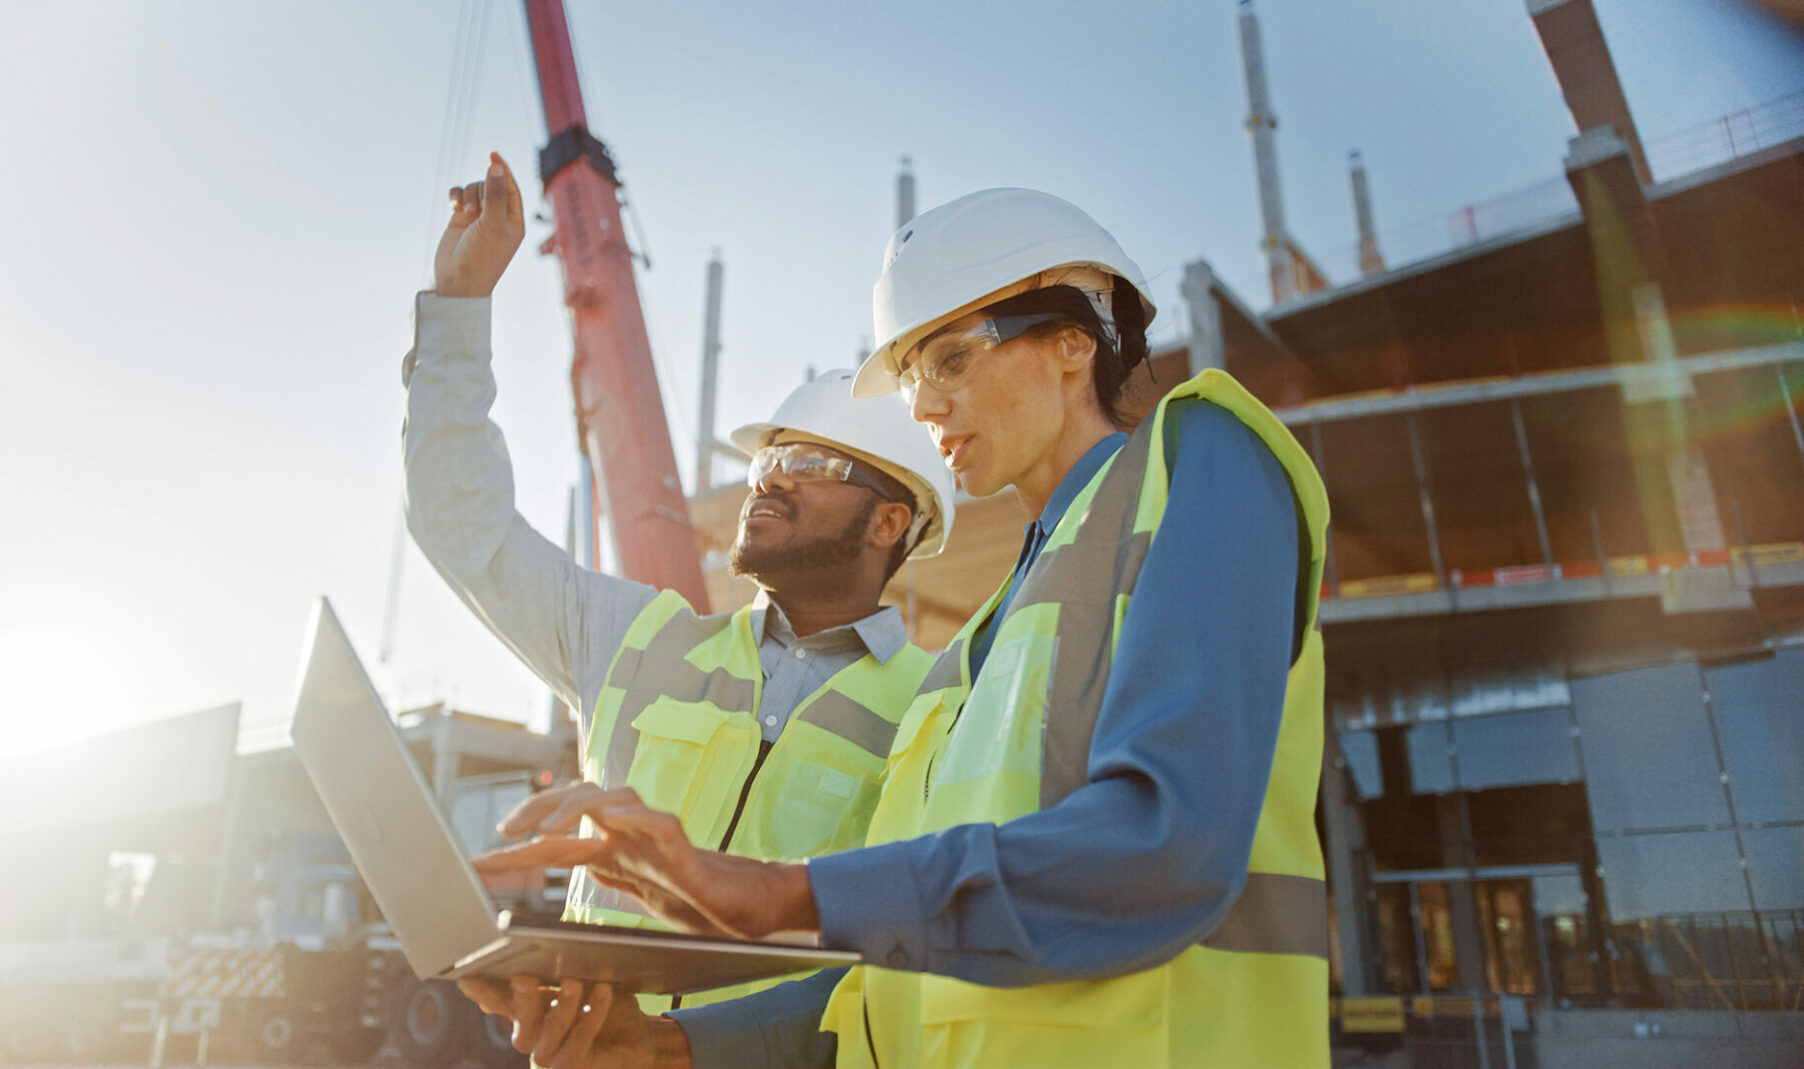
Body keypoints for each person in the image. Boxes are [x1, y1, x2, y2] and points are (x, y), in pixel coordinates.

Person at [475, 187, 1332, 1069]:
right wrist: (666, 1046)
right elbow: (890, 981)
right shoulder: (964, 666)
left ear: (1076, 339)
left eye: (951, 359)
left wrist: (776, 892)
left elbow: (1165, 849)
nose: (925, 407)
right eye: (916, 377)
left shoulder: (1199, 465)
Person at [403, 154, 954, 1042]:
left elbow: (910, 956)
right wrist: (459, 309)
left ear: (890, 520)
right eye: (765, 461)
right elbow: (460, 521)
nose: (765, 484)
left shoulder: (941, 707)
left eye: (806, 465)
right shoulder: (635, 640)